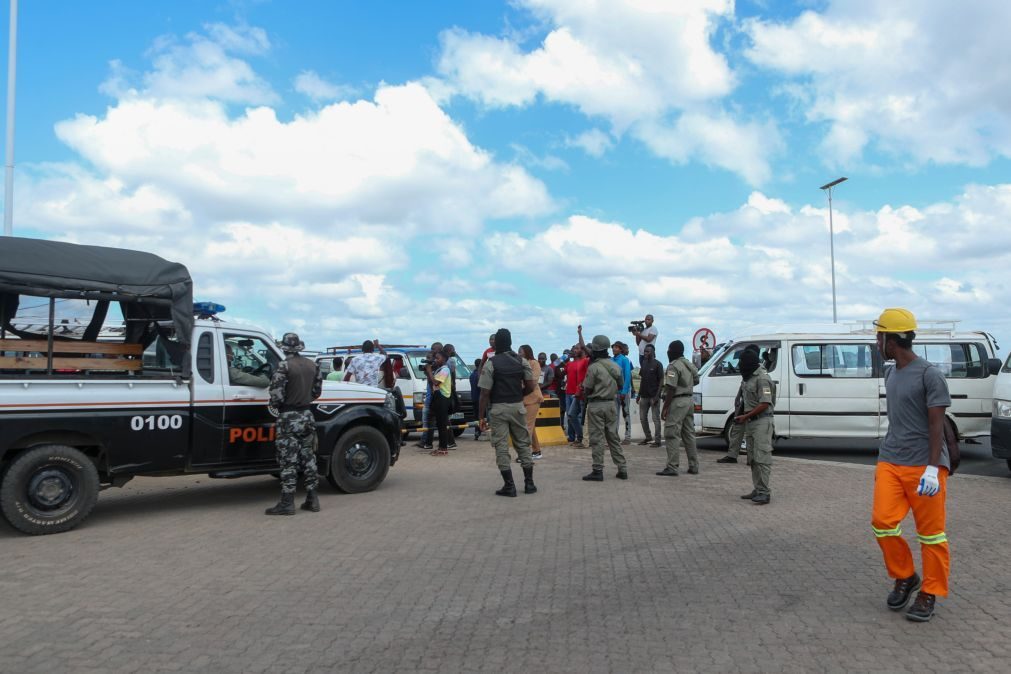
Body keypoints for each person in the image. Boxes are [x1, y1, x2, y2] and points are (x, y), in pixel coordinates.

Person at [871, 308, 952, 623]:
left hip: (924, 466)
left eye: (879, 336)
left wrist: (933, 468)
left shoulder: (929, 374)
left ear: (892, 340)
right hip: (891, 460)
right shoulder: (891, 373)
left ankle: (929, 592)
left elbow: (937, 426)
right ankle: (905, 575)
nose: (877, 342)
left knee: (931, 535)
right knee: (882, 522)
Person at [265, 332, 323, 516]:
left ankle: (287, 503)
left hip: (288, 418)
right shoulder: (312, 365)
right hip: (307, 416)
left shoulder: (284, 366)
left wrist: (283, 405)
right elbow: (317, 391)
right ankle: (313, 499)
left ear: (284, 348)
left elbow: (275, 396)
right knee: (308, 458)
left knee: (288, 461)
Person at [478, 328, 537, 497]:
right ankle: (529, 484)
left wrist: (481, 416)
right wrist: (518, 396)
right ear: (510, 341)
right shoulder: (521, 361)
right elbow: (531, 386)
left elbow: (484, 393)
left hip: (498, 409)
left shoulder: (492, 363)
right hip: (518, 406)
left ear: (496, 342)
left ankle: (509, 486)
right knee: (523, 444)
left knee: (501, 446)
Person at [581, 334, 628, 481]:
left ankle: (597, 470)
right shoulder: (615, 366)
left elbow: (587, 389)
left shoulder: (594, 367)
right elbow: (620, 385)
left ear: (594, 349)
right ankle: (622, 468)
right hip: (611, 404)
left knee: (597, 438)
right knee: (613, 437)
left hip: (596, 405)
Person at [735, 348, 775, 505]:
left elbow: (765, 403)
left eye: (742, 363)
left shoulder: (762, 378)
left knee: (762, 457)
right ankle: (757, 488)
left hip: (761, 422)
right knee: (752, 458)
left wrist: (746, 416)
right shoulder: (748, 377)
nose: (740, 366)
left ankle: (764, 492)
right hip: (751, 422)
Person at [656, 340, 700, 477]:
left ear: (672, 351)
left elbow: (671, 388)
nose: (667, 352)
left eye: (669, 349)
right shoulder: (688, 364)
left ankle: (672, 466)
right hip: (689, 400)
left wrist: (665, 407)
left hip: (677, 401)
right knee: (689, 434)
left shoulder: (673, 366)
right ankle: (694, 465)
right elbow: (697, 379)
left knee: (671, 433)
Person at [718, 345, 760, 464]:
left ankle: (752, 458)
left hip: (753, 405)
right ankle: (732, 455)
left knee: (753, 434)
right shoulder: (747, 366)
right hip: (744, 402)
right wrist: (738, 397)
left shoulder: (757, 369)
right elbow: (744, 383)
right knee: (737, 427)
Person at [415, 341, 444, 450]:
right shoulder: (436, 365)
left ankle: (427, 442)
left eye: (433, 349)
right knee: (433, 420)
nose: (432, 350)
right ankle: (427, 441)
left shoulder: (442, 366)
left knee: (428, 419)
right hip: (432, 395)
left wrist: (430, 369)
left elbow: (435, 382)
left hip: (434, 396)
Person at [426, 349, 453, 456]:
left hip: (443, 397)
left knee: (442, 424)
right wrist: (428, 372)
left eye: (438, 358)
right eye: (435, 358)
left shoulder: (445, 370)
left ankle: (443, 448)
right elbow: (431, 382)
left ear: (444, 359)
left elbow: (436, 382)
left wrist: (429, 371)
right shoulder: (439, 369)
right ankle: (441, 447)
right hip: (438, 397)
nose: (436, 360)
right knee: (440, 423)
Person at [520, 345, 544, 460]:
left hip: (533, 398)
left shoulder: (534, 363)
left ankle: (524, 454)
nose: (519, 353)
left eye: (521, 351)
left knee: (527, 426)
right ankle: (536, 451)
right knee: (531, 426)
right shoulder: (520, 363)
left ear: (527, 352)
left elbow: (533, 382)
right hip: (524, 399)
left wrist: (520, 391)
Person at [636, 343, 663, 447]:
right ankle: (648, 437)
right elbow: (642, 379)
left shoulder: (658, 364)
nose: (645, 353)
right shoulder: (644, 363)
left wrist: (657, 396)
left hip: (654, 396)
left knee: (656, 418)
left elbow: (661, 380)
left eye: (647, 351)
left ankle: (658, 441)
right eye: (645, 351)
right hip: (644, 395)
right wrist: (638, 394)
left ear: (653, 352)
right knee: (643, 418)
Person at [565, 338, 589, 446]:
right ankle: (579, 437)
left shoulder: (586, 361)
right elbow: (557, 367)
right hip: (575, 393)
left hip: (583, 393)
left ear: (582, 350)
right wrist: (564, 357)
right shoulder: (572, 363)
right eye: (574, 348)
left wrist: (580, 334)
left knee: (581, 417)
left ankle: (582, 439)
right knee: (571, 415)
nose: (575, 350)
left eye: (577, 348)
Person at [612, 340, 633, 445]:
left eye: (616, 347)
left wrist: (624, 391)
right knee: (614, 415)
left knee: (626, 414)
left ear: (620, 349)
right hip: (613, 392)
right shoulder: (611, 360)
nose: (614, 349)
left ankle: (627, 437)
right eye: (613, 347)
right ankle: (614, 436)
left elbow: (627, 376)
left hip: (623, 392)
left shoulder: (625, 360)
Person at [469, 358, 483, 440]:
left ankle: (476, 432)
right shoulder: (480, 375)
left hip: (474, 397)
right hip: (481, 399)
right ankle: (481, 430)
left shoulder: (472, 375)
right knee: (483, 416)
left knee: (476, 417)